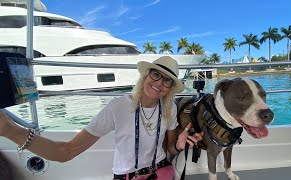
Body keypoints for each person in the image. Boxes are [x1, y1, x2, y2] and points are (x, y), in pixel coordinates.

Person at [0, 56, 203, 179]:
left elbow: (169, 150)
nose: (159, 83)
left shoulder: (169, 110)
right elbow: (66, 152)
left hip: (161, 173)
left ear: (169, 89)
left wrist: (178, 146)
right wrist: (10, 129)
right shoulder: (117, 107)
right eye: (155, 75)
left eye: (167, 81)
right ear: (146, 75)